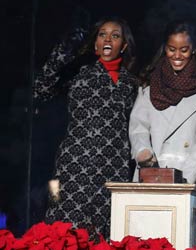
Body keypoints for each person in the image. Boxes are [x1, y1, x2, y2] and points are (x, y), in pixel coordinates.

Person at [34, 17, 138, 237]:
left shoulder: (132, 83)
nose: (108, 39)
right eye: (102, 34)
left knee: (106, 232)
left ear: (124, 46)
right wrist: (65, 47)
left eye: (115, 35)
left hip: (114, 166)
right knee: (66, 229)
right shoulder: (79, 73)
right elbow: (41, 88)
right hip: (76, 164)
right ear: (95, 44)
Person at [129, 21, 196, 184]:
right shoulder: (149, 85)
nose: (177, 56)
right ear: (165, 48)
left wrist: (187, 176)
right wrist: (143, 152)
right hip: (150, 175)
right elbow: (138, 126)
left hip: (186, 178)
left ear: (193, 49)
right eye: (171, 49)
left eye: (184, 50)